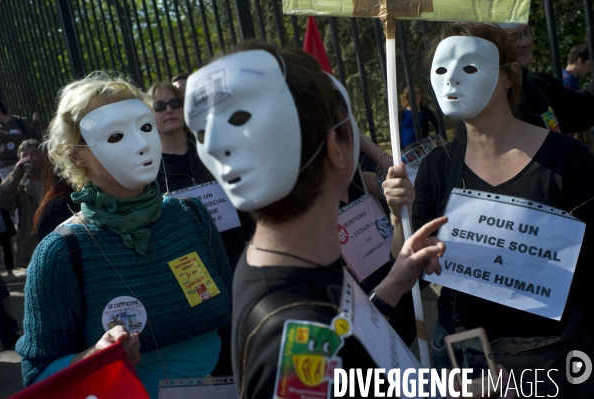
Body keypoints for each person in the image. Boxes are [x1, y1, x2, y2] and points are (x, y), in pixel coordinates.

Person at [183, 41, 454, 399]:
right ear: (335, 149)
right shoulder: (297, 339)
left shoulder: (278, 264)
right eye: (350, 128)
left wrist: (393, 284)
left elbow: (344, 342)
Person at [386, 23, 594, 397]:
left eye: (468, 67)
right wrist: (397, 212)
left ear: (509, 76)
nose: (451, 80)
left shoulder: (567, 159)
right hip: (462, 356)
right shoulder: (437, 165)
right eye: (439, 70)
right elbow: (407, 266)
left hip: (550, 359)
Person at [16, 73, 233, 398]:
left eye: (146, 127)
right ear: (77, 154)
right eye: (116, 135)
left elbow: (236, 319)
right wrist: (94, 358)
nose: (142, 143)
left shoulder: (191, 217)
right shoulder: (61, 253)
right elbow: (37, 377)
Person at [149, 82, 254, 269]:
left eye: (175, 103)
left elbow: (240, 195)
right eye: (159, 106)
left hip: (238, 252)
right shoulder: (149, 168)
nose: (169, 110)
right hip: (190, 264)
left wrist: (252, 239)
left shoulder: (212, 150)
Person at [456, 24, 594, 136]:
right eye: (515, 38)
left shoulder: (542, 85)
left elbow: (584, 110)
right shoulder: (479, 109)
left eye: (527, 32)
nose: (526, 42)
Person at [0, 139, 44, 269]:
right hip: (35, 245)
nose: (29, 158)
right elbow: (3, 202)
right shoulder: (20, 186)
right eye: (24, 156)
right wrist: (17, 172)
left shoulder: (55, 179)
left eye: (34, 153)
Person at [0, 99, 40, 180]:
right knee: (11, 190)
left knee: (27, 187)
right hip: (4, 164)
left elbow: (35, 137)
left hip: (22, 161)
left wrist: (37, 122)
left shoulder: (20, 121)